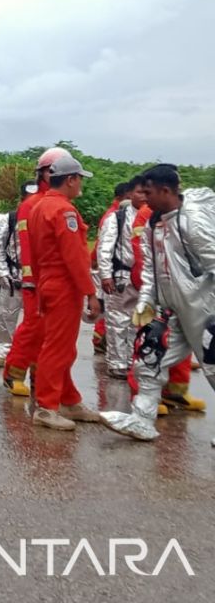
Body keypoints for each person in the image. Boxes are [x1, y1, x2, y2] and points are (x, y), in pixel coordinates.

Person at [102, 165, 215, 441]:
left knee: (213, 366)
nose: (143, 197)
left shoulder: (193, 220)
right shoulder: (153, 221)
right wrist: (145, 302)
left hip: (203, 306)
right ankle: (142, 418)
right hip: (169, 307)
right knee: (148, 360)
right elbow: (150, 269)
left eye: (148, 192)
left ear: (166, 190)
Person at [25, 155, 102, 430]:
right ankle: (46, 407)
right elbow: (75, 257)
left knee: (62, 347)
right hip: (64, 286)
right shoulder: (64, 211)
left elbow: (33, 253)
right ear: (70, 180)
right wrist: (90, 292)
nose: (80, 184)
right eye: (79, 178)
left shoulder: (39, 207)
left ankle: (69, 399)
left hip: (48, 282)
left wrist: (40, 281)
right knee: (57, 348)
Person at [1, 147, 72, 397]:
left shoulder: (59, 202)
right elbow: (26, 245)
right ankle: (13, 371)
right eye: (50, 170)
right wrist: (31, 277)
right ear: (41, 173)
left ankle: (40, 375)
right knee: (34, 326)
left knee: (51, 332)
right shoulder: (30, 205)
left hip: (54, 280)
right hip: (36, 279)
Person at [97, 179, 141, 378]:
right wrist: (105, 275)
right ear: (130, 194)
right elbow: (104, 248)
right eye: (139, 192)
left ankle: (134, 360)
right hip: (120, 277)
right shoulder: (117, 218)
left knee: (138, 322)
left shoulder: (152, 217)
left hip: (143, 279)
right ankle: (116, 363)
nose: (144, 196)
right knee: (117, 321)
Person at [0, 180, 36, 365]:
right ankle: (3, 352)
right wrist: (2, 274)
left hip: (36, 280)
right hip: (13, 277)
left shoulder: (45, 219)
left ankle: (31, 355)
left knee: (35, 321)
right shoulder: (11, 220)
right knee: (6, 317)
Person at [91, 183, 132, 354]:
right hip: (114, 268)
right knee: (108, 307)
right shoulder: (115, 216)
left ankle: (102, 339)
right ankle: (101, 340)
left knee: (108, 307)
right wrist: (96, 263)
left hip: (109, 267)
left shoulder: (115, 214)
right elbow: (103, 245)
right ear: (124, 196)